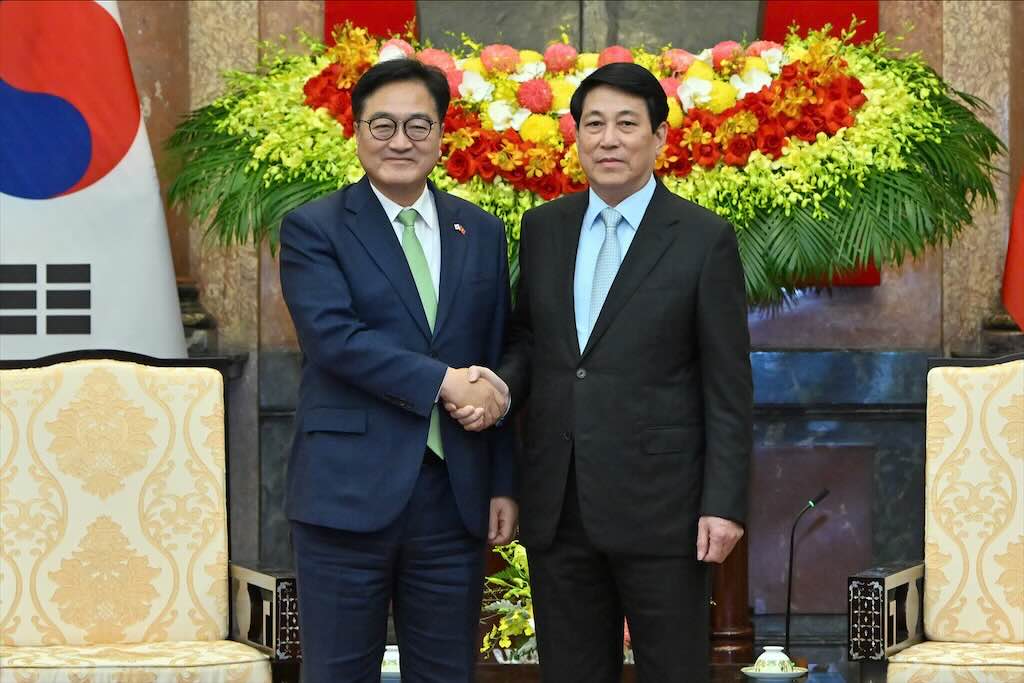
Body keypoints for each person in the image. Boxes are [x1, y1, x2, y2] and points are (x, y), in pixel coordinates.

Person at [449, 62, 752, 682]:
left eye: (626, 124)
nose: (608, 140)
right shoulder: (544, 228)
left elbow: (728, 385)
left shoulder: (702, 238)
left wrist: (723, 504)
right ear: (576, 136)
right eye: (594, 125)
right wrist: (499, 390)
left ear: (660, 138)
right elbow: (531, 339)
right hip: (559, 508)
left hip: (664, 509)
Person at [279, 58, 517, 683]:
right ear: (355, 132)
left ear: (443, 135)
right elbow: (333, 339)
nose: (400, 141)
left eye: (418, 125)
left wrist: (502, 477)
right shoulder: (315, 227)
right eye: (382, 125)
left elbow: (501, 347)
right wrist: (444, 383)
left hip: (454, 496)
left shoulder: (481, 230)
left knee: (446, 673)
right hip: (345, 497)